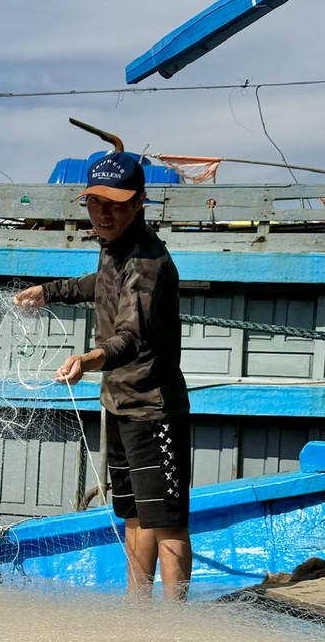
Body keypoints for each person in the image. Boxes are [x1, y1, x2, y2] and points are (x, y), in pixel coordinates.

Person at [13, 152, 193, 600]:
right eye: (95, 202)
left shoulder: (149, 263)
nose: (104, 212)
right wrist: (49, 291)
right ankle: (138, 609)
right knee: (133, 515)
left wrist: (88, 360)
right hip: (120, 404)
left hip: (155, 410)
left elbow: (131, 338)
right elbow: (99, 283)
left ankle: (179, 630)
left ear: (139, 203)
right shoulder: (114, 249)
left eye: (115, 203)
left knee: (167, 523)